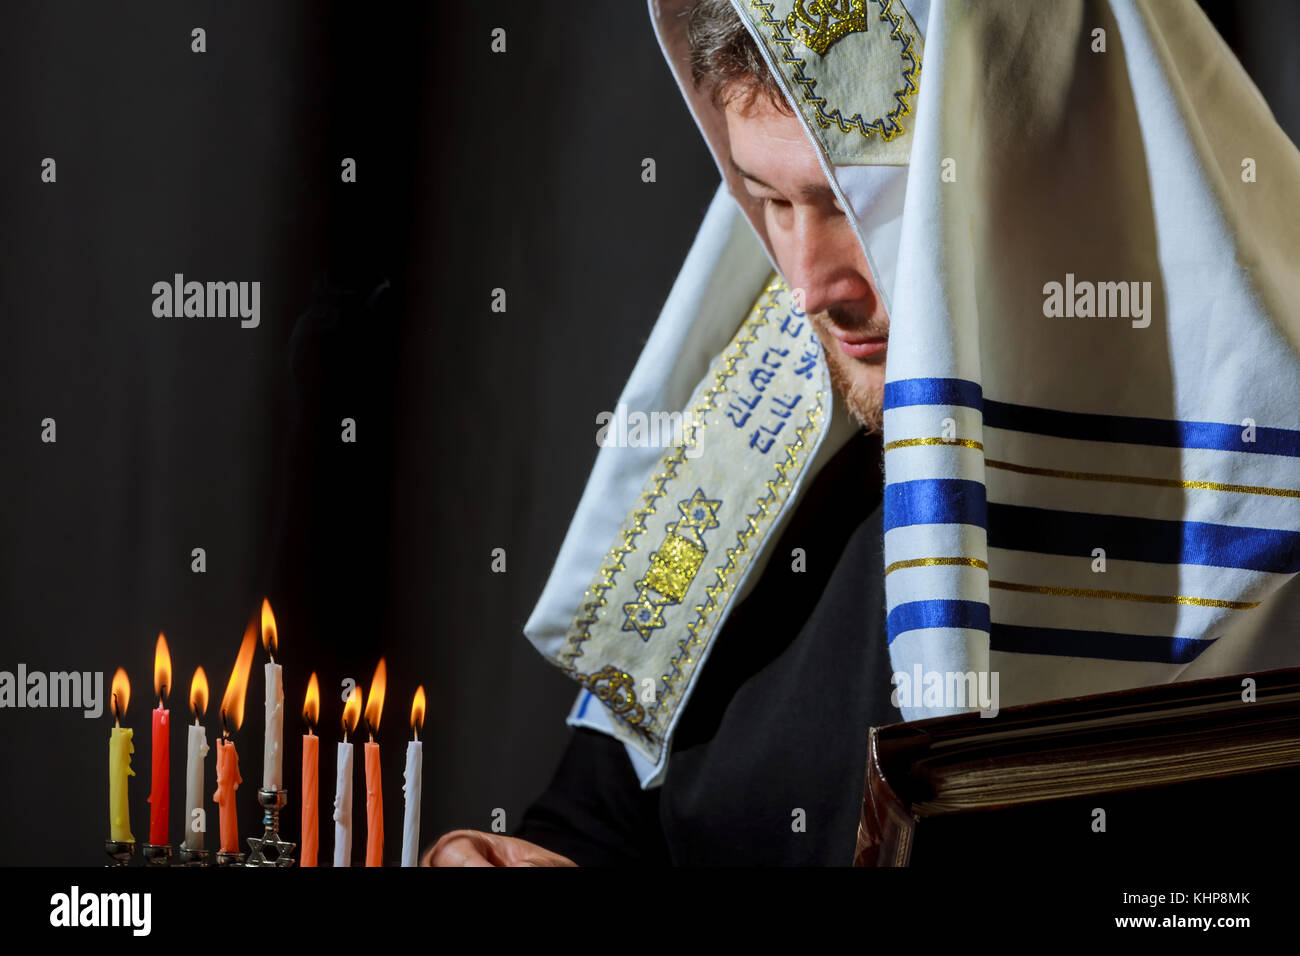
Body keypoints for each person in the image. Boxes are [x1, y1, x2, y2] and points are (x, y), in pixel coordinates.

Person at [428, 0, 1300, 865]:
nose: (810, 285)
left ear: (1041, 160)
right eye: (766, 199)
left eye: (861, 204)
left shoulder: (1263, 545)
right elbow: (602, 820)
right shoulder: (767, 468)